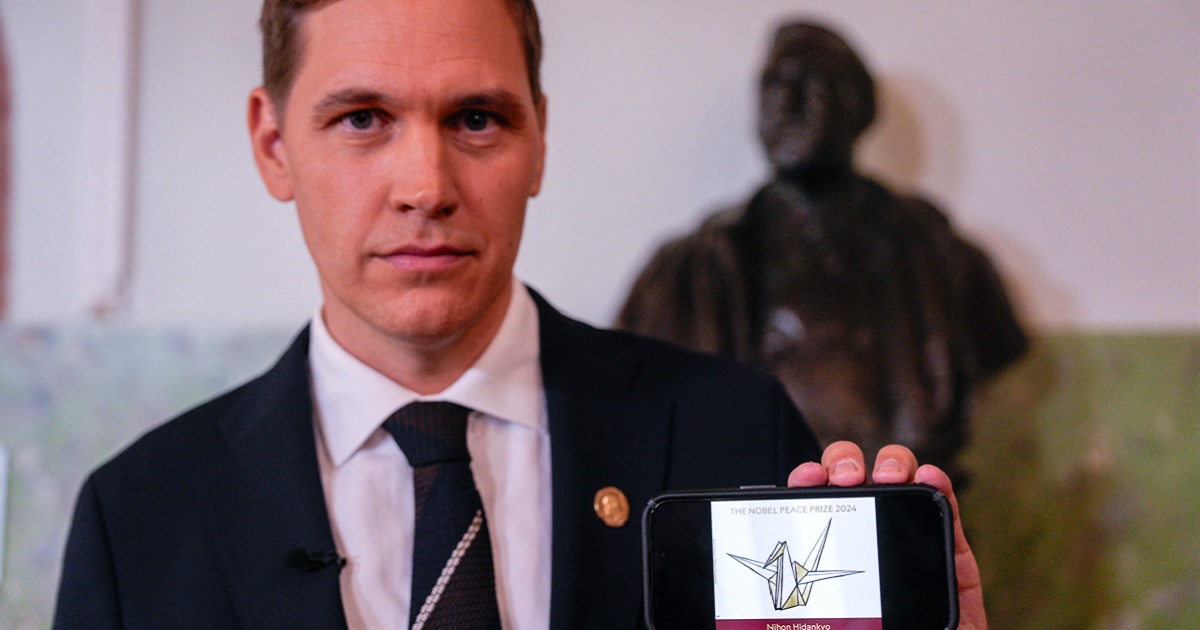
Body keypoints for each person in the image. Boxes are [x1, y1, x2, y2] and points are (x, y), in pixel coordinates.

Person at [52, 1, 987, 628]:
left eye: (475, 119)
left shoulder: (735, 430)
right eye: (362, 119)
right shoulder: (139, 521)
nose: (426, 186)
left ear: (537, 137)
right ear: (273, 143)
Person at [618, 22, 1027, 486]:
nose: (791, 102)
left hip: (904, 520)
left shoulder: (945, 261)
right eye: (776, 85)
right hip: (751, 535)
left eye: (817, 81)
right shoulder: (684, 272)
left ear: (861, 108)